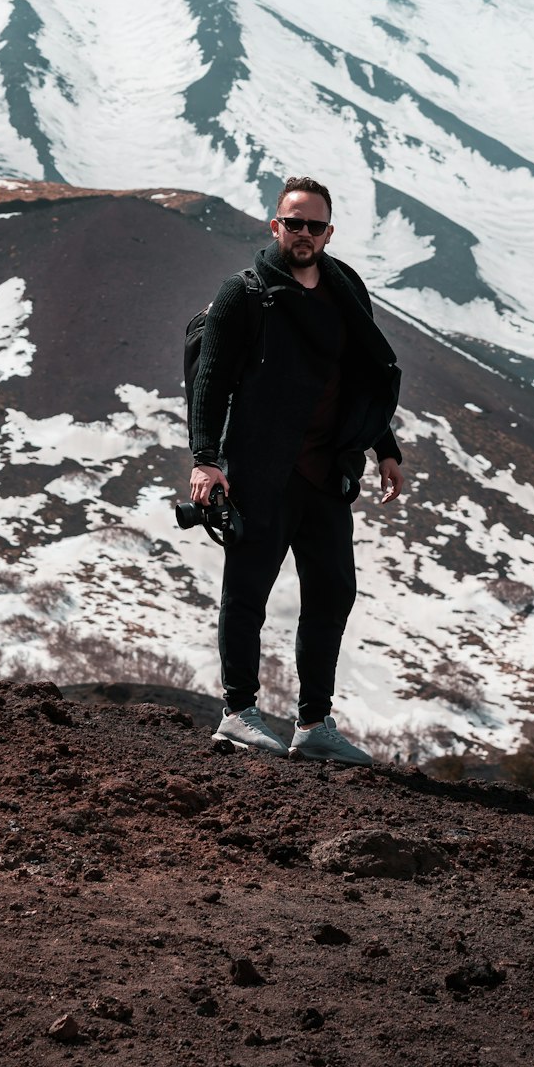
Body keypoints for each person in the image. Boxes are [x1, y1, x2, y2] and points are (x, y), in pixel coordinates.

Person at [187, 176, 403, 763]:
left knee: (332, 592)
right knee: (248, 593)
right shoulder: (245, 293)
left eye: (315, 225)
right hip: (260, 471)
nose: (303, 233)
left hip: (328, 472)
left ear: (329, 233)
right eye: (294, 222)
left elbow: (363, 374)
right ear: (274, 225)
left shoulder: (346, 289)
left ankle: (314, 724)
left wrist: (384, 448)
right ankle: (238, 713)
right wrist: (206, 459)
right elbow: (210, 381)